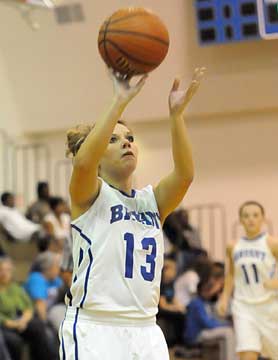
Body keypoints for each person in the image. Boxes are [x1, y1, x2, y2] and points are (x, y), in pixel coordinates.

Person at [59, 66, 206, 360]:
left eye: (130, 137)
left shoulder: (152, 201)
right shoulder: (89, 195)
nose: (127, 142)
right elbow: (84, 164)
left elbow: (185, 174)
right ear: (97, 155)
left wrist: (176, 116)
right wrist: (120, 101)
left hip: (146, 329)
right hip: (96, 327)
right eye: (113, 139)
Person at [217, 201, 278, 360]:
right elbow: (231, 274)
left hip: (269, 307)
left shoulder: (272, 243)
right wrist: (224, 298)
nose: (251, 219)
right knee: (247, 353)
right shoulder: (233, 246)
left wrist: (275, 283)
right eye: (246, 215)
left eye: (255, 215)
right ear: (241, 220)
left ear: (263, 219)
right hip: (243, 306)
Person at [0, 256, 58, 360]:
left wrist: (23, 320)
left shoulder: (15, 288)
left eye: (7, 270)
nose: (4, 273)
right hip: (5, 324)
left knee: (38, 326)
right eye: (1, 270)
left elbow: (28, 307)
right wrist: (14, 324)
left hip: (20, 320)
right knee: (14, 342)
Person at [184, 274, 236, 360]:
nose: (211, 292)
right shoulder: (196, 303)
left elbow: (213, 319)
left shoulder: (206, 302)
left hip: (204, 331)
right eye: (208, 289)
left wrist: (226, 323)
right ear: (202, 290)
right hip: (196, 334)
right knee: (228, 332)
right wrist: (227, 324)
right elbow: (207, 323)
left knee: (227, 334)